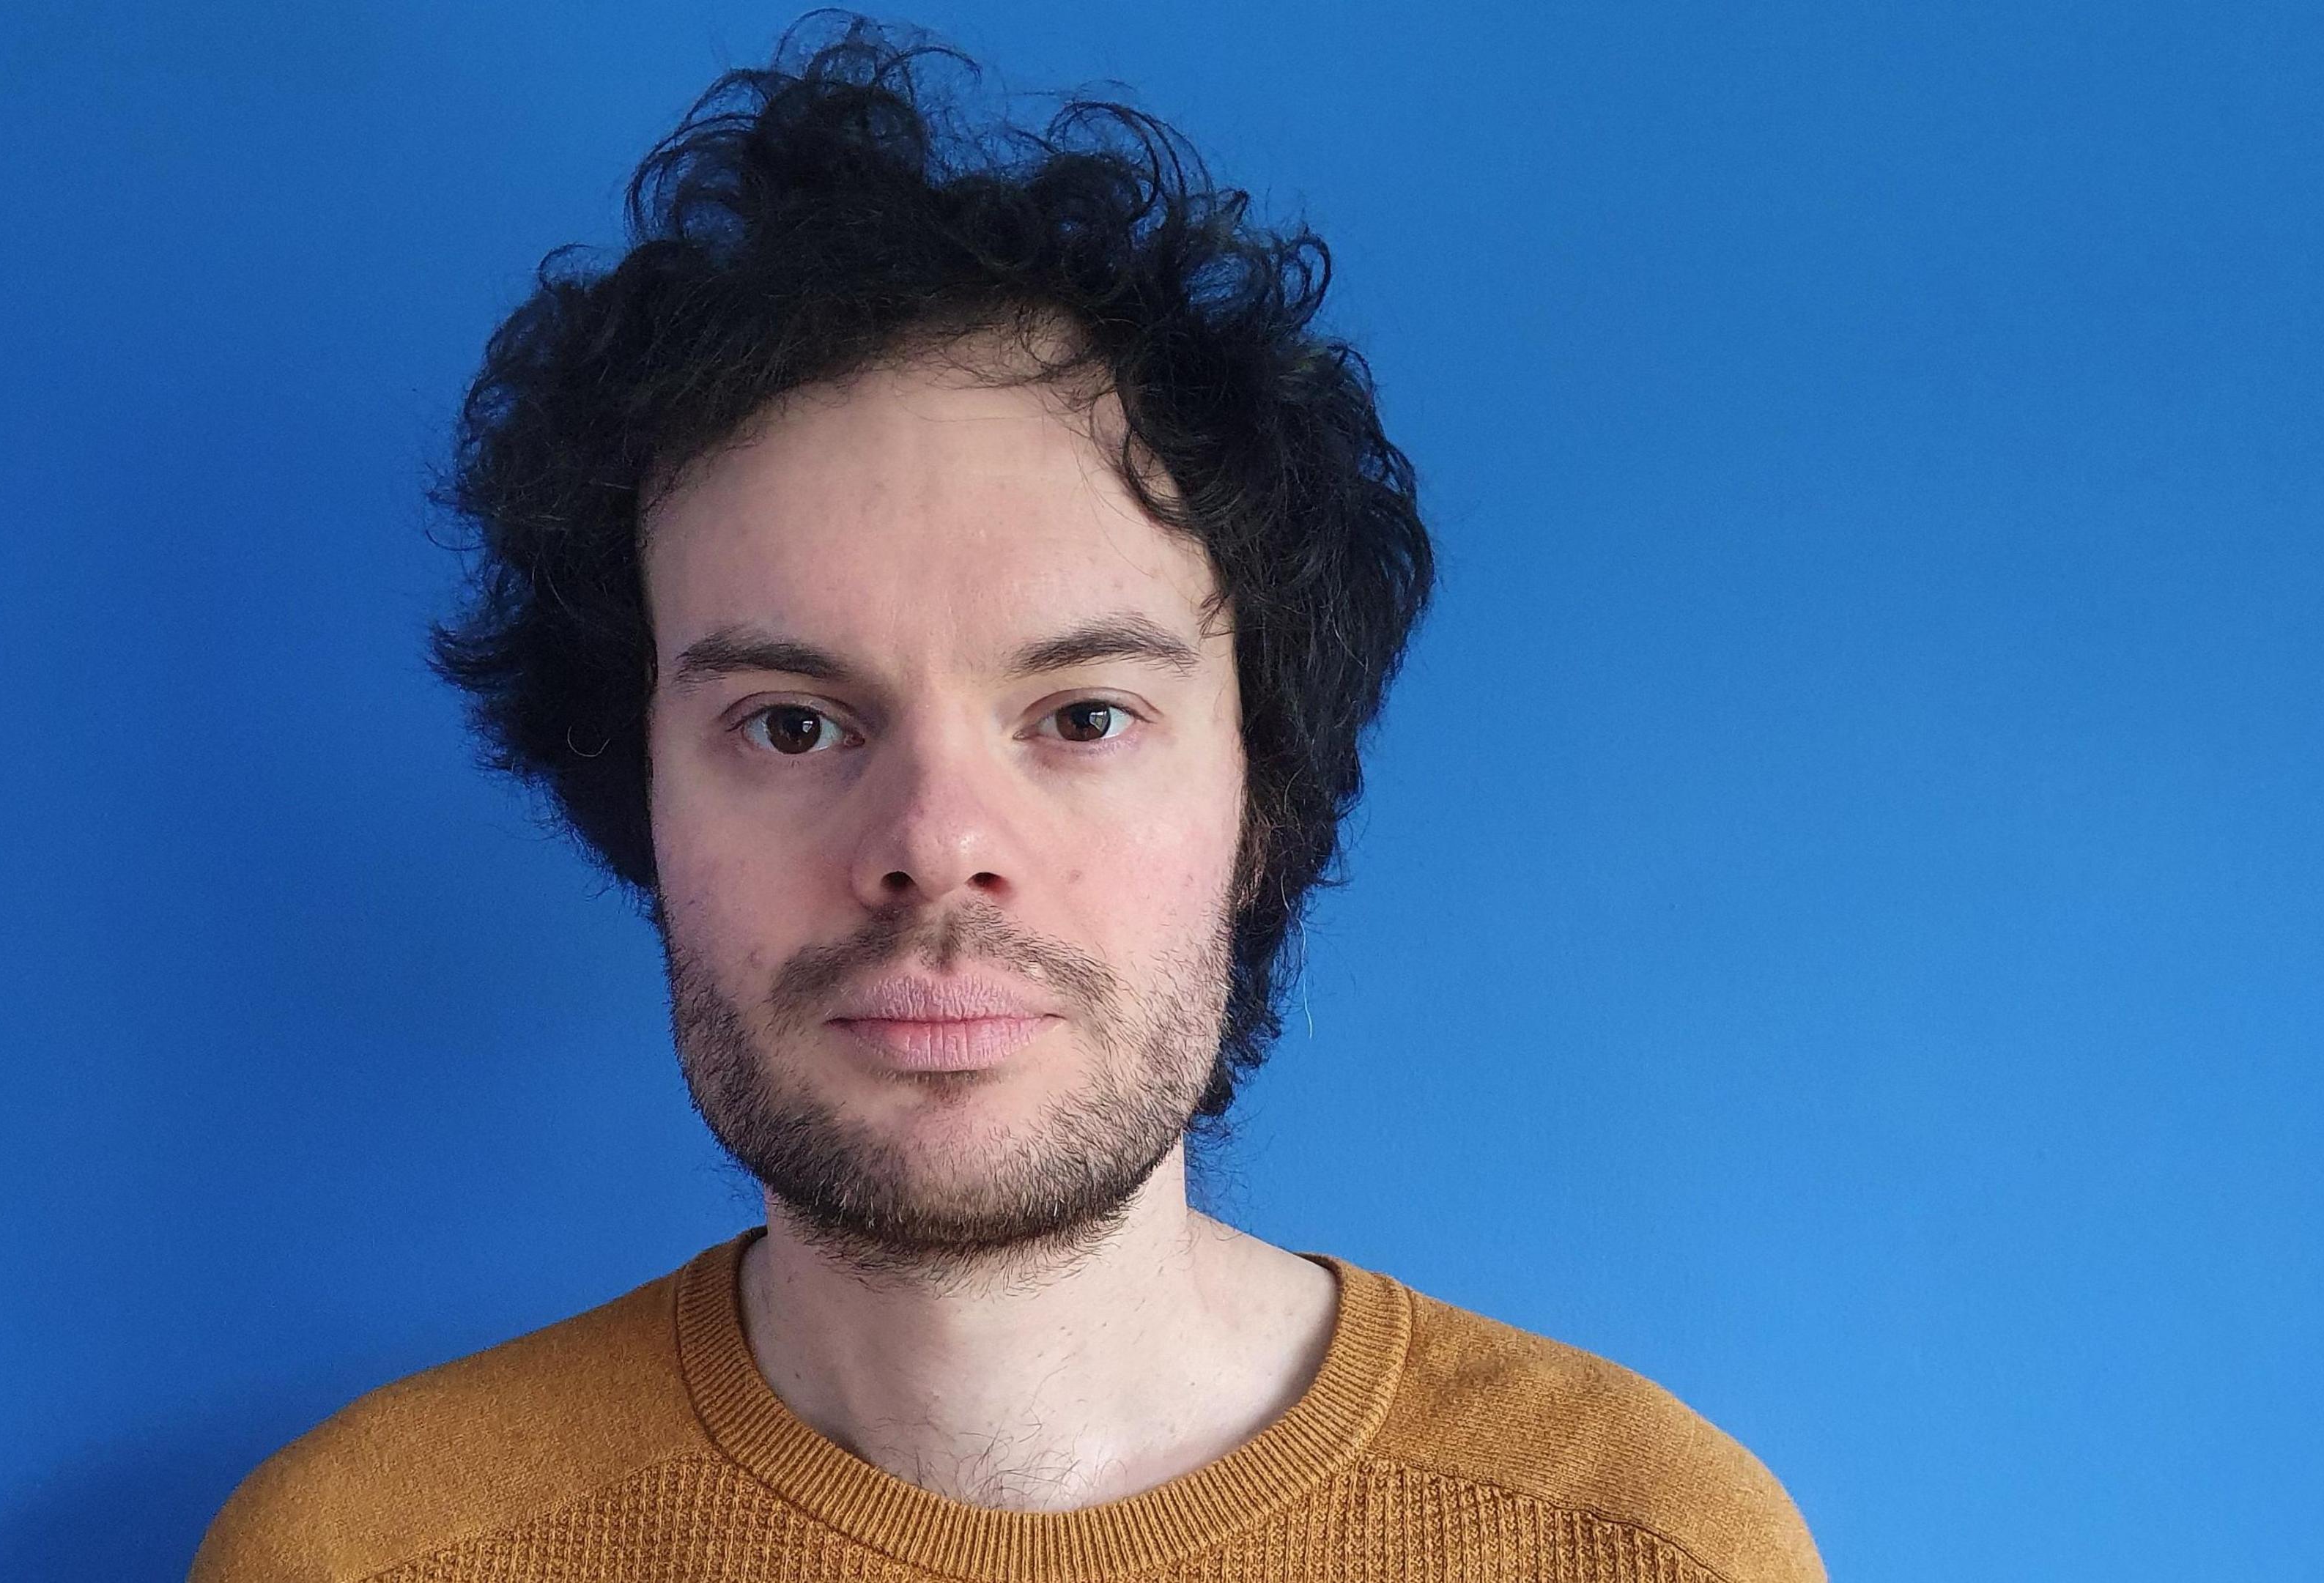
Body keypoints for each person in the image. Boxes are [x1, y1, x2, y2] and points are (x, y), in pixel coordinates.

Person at [190, 19, 1824, 1582]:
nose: (935, 847)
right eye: (791, 724)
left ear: (1265, 806)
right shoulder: (364, 1554)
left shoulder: (1648, 1545)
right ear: (644, 807)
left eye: (1084, 715)